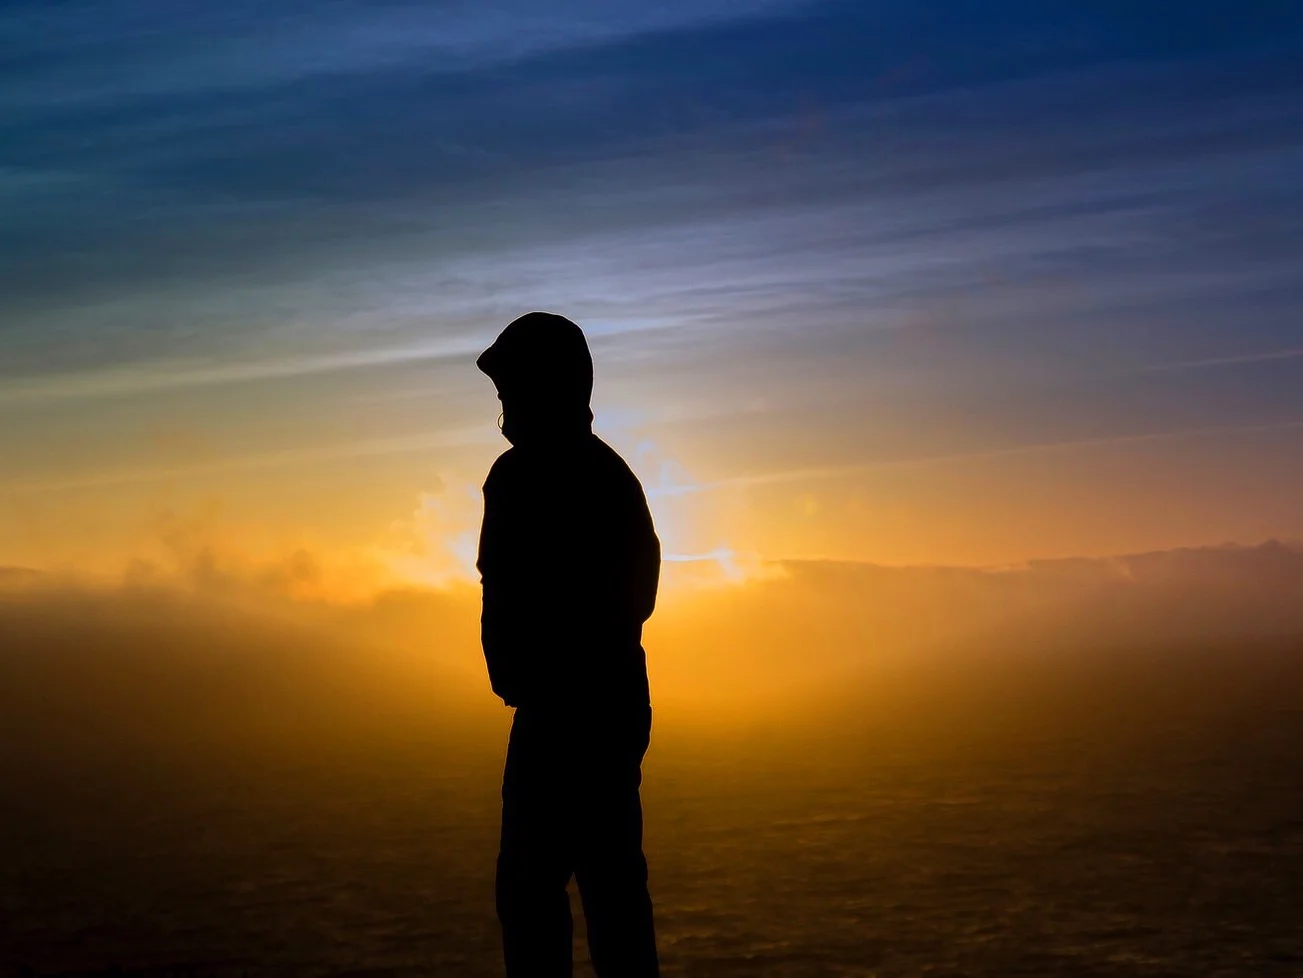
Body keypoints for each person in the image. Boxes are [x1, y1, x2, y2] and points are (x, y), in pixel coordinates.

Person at [476, 312, 661, 977]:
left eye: (511, 392)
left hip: (576, 715)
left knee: (567, 888)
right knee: (580, 887)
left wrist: (546, 670)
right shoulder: (548, 475)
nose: (502, 409)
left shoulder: (569, 477)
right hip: (575, 708)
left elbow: (628, 594)